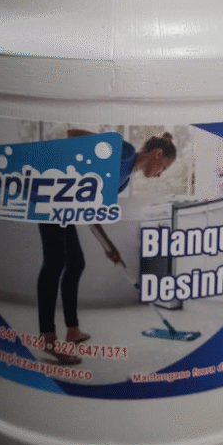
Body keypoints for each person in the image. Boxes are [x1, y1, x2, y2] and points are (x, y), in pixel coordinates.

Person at [38, 130, 176, 364]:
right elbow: (73, 133)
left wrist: (109, 246)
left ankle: (73, 330)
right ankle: (47, 338)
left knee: (76, 263)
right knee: (55, 262)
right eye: (164, 167)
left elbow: (90, 212)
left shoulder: (123, 180)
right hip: (49, 194)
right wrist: (60, 161)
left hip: (65, 207)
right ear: (157, 154)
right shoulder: (125, 152)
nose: (160, 174)